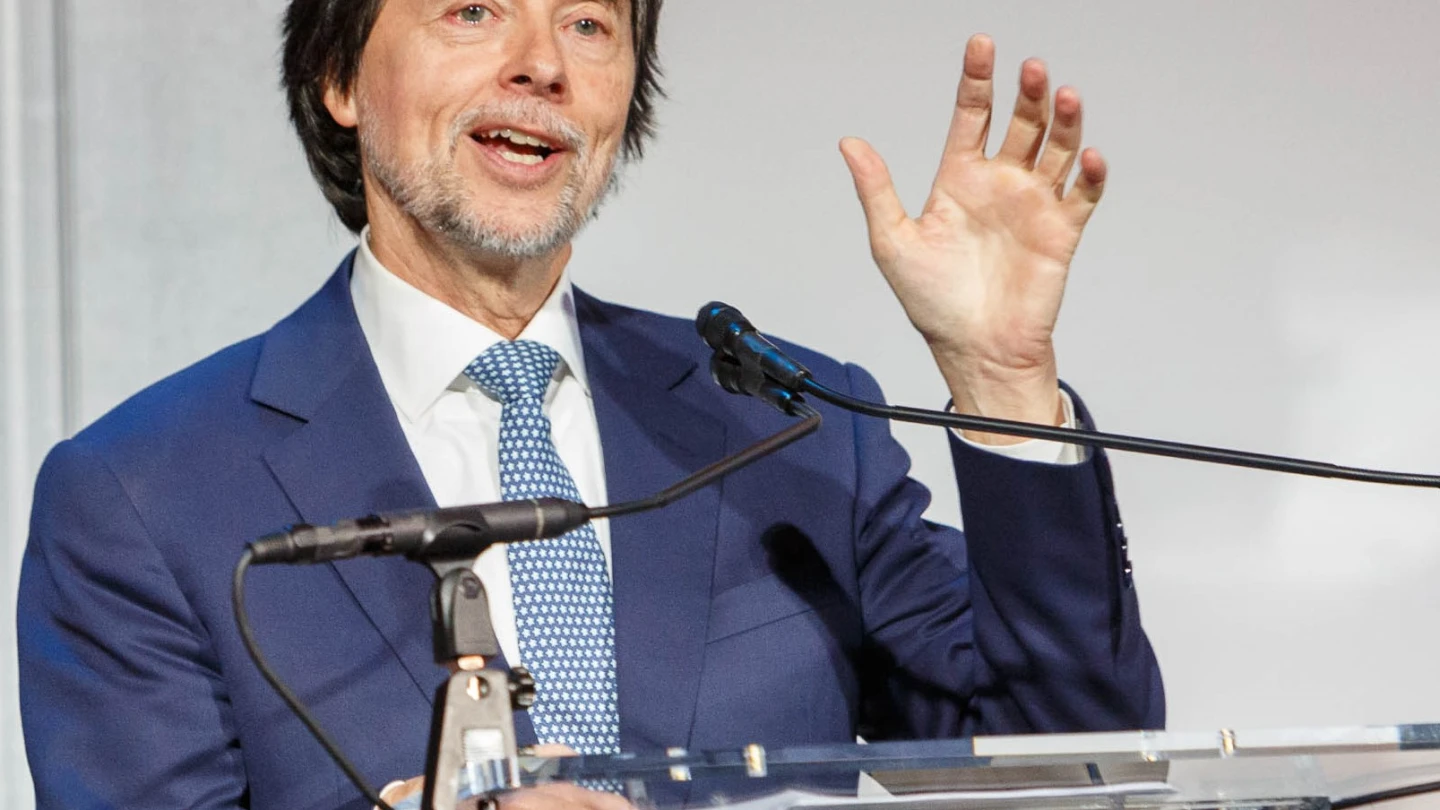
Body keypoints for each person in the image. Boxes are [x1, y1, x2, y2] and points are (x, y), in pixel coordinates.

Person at [17, 1, 1164, 809]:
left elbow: (1076, 768)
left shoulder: (793, 427)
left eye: (589, 24)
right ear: (341, 78)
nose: (541, 64)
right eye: (473, 11)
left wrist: (1001, 378)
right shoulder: (142, 494)